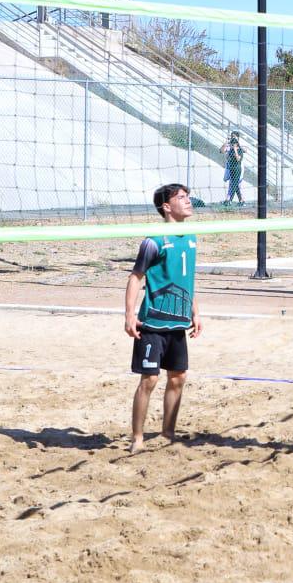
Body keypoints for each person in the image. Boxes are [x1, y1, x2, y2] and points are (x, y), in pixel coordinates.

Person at [125, 183, 203, 453]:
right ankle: (137, 438)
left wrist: (195, 311)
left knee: (178, 377)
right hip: (153, 323)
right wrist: (129, 314)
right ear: (167, 207)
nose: (188, 201)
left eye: (188, 197)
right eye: (182, 198)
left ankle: (168, 433)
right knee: (149, 380)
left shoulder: (191, 237)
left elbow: (186, 280)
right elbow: (136, 277)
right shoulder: (154, 240)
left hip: (178, 323)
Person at [220, 131, 244, 205]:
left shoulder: (239, 146)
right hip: (230, 167)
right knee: (235, 183)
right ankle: (241, 200)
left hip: (238, 167)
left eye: (234, 136)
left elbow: (244, 151)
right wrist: (226, 142)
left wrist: (236, 147)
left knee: (233, 183)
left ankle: (228, 200)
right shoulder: (229, 145)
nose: (233, 138)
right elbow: (222, 151)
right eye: (232, 136)